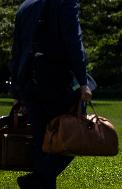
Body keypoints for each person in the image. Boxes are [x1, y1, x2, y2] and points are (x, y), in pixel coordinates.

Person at [9, 0, 92, 188]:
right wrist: (83, 81)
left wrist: (17, 90)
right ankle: (38, 178)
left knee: (42, 143)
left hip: (30, 82)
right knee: (73, 137)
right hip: (56, 81)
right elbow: (74, 41)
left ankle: (39, 179)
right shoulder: (65, 3)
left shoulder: (26, 6)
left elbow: (17, 50)